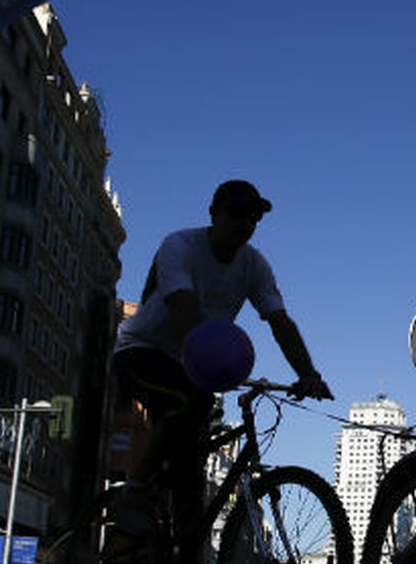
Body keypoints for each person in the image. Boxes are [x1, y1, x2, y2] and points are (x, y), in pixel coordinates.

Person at [111, 179, 333, 536]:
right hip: (142, 353)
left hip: (194, 365)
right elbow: (181, 307)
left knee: (191, 473)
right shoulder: (180, 246)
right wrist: (211, 363)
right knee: (187, 402)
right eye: (236, 214)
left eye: (253, 217)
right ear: (214, 213)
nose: (244, 224)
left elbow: (280, 322)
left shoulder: (254, 265)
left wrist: (309, 374)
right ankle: (133, 493)